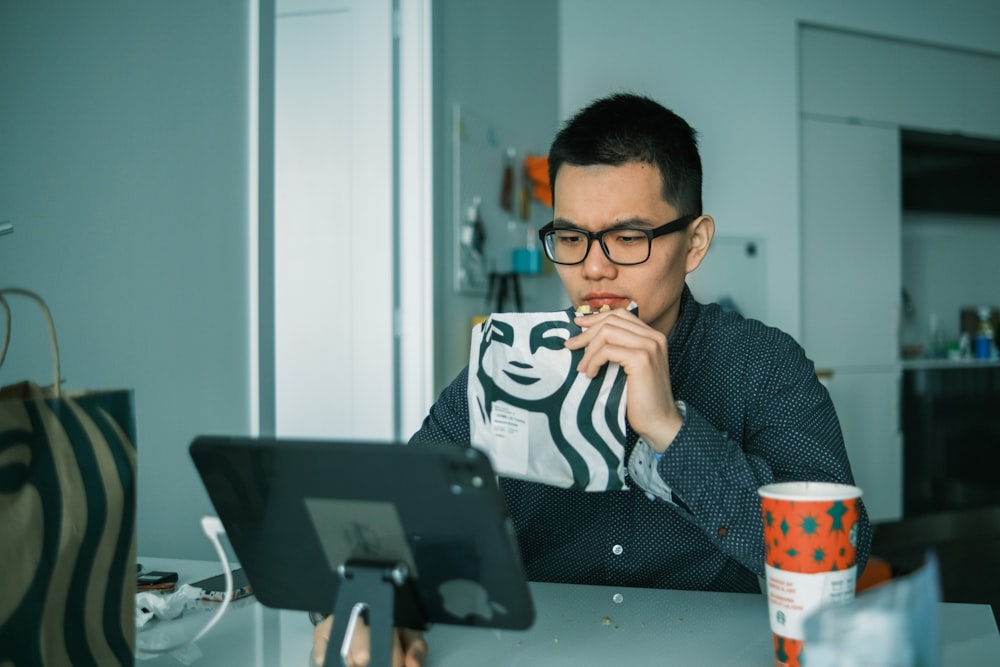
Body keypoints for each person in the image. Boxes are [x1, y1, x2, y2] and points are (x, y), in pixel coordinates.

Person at [313, 92, 872, 666]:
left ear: (695, 243)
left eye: (629, 238)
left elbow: (843, 557)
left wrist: (669, 428)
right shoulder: (508, 361)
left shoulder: (762, 364)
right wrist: (362, 606)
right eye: (572, 236)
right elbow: (396, 523)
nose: (593, 266)